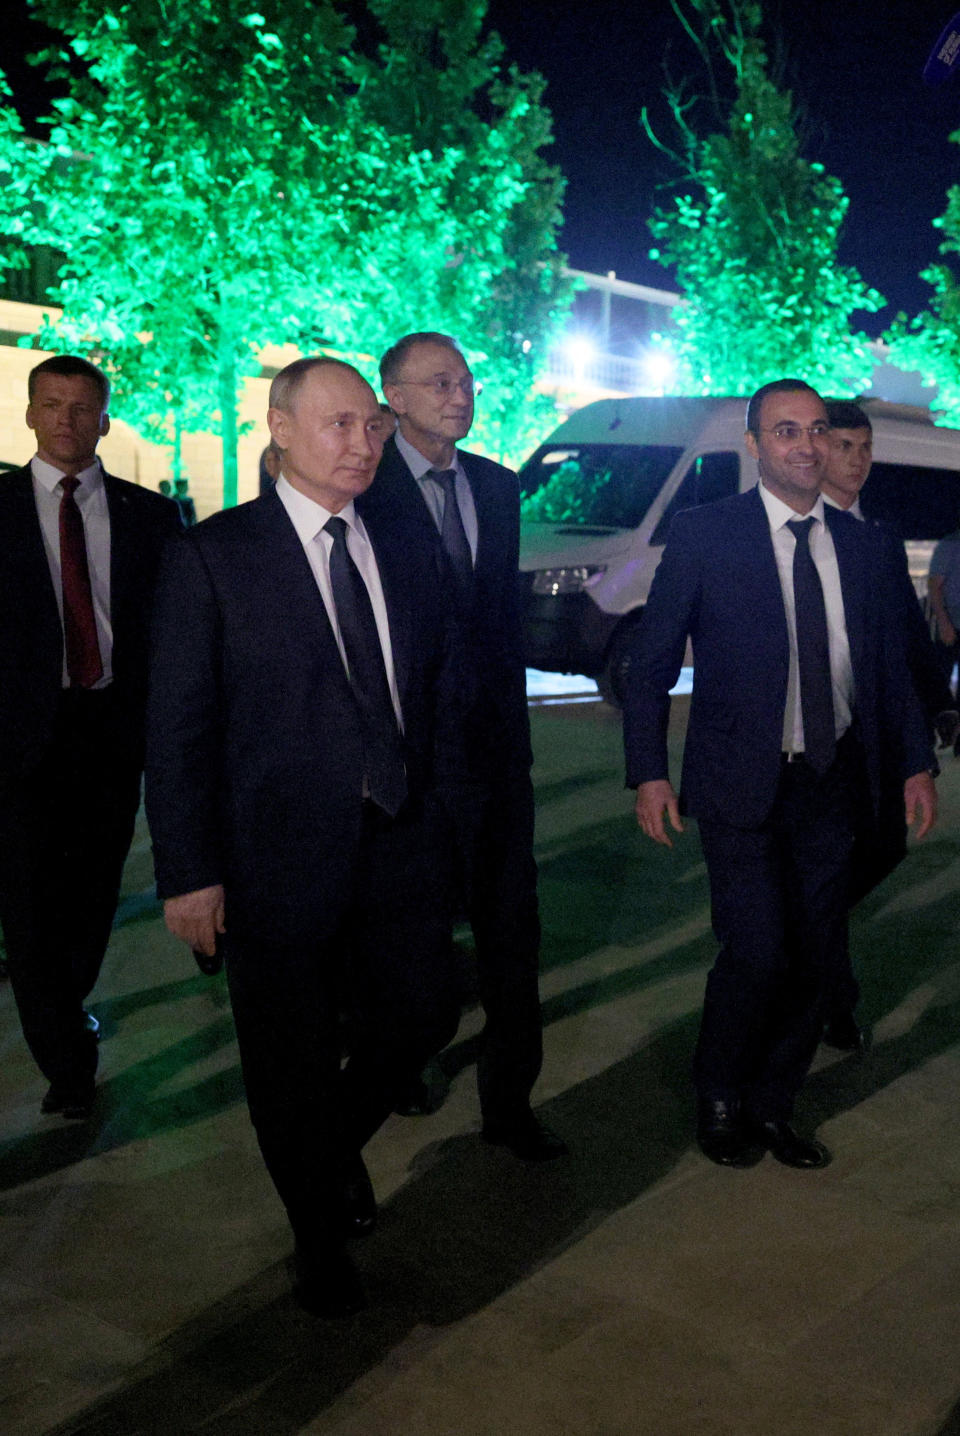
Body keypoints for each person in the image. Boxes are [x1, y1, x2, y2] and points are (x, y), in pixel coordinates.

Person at [146, 357, 464, 1319]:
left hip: (394, 837)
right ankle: (317, 1237)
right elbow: (178, 730)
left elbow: (428, 692)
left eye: (371, 426)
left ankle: (323, 1155)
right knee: (285, 1058)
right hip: (271, 858)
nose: (362, 444)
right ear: (280, 428)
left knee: (423, 1011)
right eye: (339, 425)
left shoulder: (401, 546)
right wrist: (190, 874)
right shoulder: (215, 555)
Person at [623, 378, 936, 1170]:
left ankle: (773, 1103)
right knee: (759, 947)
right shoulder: (706, 534)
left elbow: (892, 672)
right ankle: (720, 1093)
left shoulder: (868, 547)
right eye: (786, 431)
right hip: (739, 783)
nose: (807, 445)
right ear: (756, 445)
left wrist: (915, 764)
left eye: (818, 431)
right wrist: (648, 772)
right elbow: (651, 664)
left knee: (816, 950)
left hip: (835, 780)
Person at [359, 331, 566, 1162]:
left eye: (466, 380)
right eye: (438, 382)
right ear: (395, 399)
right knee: (412, 943)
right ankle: (400, 1058)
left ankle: (511, 1105)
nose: (460, 394)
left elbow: (498, 627)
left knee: (514, 939)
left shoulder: (497, 485)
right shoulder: (366, 491)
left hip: (494, 764)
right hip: (408, 767)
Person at [0, 354, 181, 1120]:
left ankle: (67, 1003)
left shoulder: (150, 517)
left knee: (92, 895)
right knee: (28, 905)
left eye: (83, 407)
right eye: (53, 405)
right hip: (17, 741)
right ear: (30, 414)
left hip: (110, 733)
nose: (68, 420)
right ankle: (66, 1060)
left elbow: (172, 634)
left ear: (105, 418)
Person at [820, 400, 957, 1052]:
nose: (856, 460)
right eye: (844, 446)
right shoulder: (793, 531)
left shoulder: (879, 534)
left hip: (874, 735)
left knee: (882, 850)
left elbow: (907, 632)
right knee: (825, 866)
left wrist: (940, 702)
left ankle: (810, 934)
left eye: (864, 447)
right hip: (813, 740)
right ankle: (832, 999)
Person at [928, 507, 960, 699]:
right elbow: (934, 586)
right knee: (941, 685)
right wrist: (944, 623)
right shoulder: (950, 544)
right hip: (952, 625)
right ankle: (943, 724)